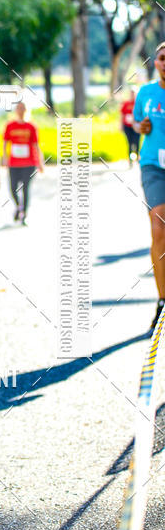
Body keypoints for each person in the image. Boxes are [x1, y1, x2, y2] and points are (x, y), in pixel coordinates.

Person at [133, 41, 165, 332]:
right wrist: (140, 127)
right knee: (158, 225)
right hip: (153, 165)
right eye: (162, 58)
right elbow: (137, 122)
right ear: (155, 62)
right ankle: (162, 299)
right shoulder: (146, 92)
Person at [2, 101, 44, 225]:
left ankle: (24, 214)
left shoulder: (31, 126)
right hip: (14, 164)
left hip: (29, 163)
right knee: (13, 188)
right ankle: (18, 207)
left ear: (26, 110)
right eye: (18, 108)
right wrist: (4, 157)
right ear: (16, 110)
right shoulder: (10, 126)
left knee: (25, 188)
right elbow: (5, 143)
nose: (20, 110)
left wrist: (40, 163)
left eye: (23, 108)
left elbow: (36, 145)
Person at [120, 89, 138, 166]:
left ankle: (137, 157)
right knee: (129, 142)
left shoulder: (137, 103)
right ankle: (130, 159)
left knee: (136, 141)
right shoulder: (126, 103)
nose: (132, 95)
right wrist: (120, 125)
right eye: (131, 93)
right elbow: (122, 115)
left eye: (133, 93)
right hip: (127, 126)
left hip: (136, 126)